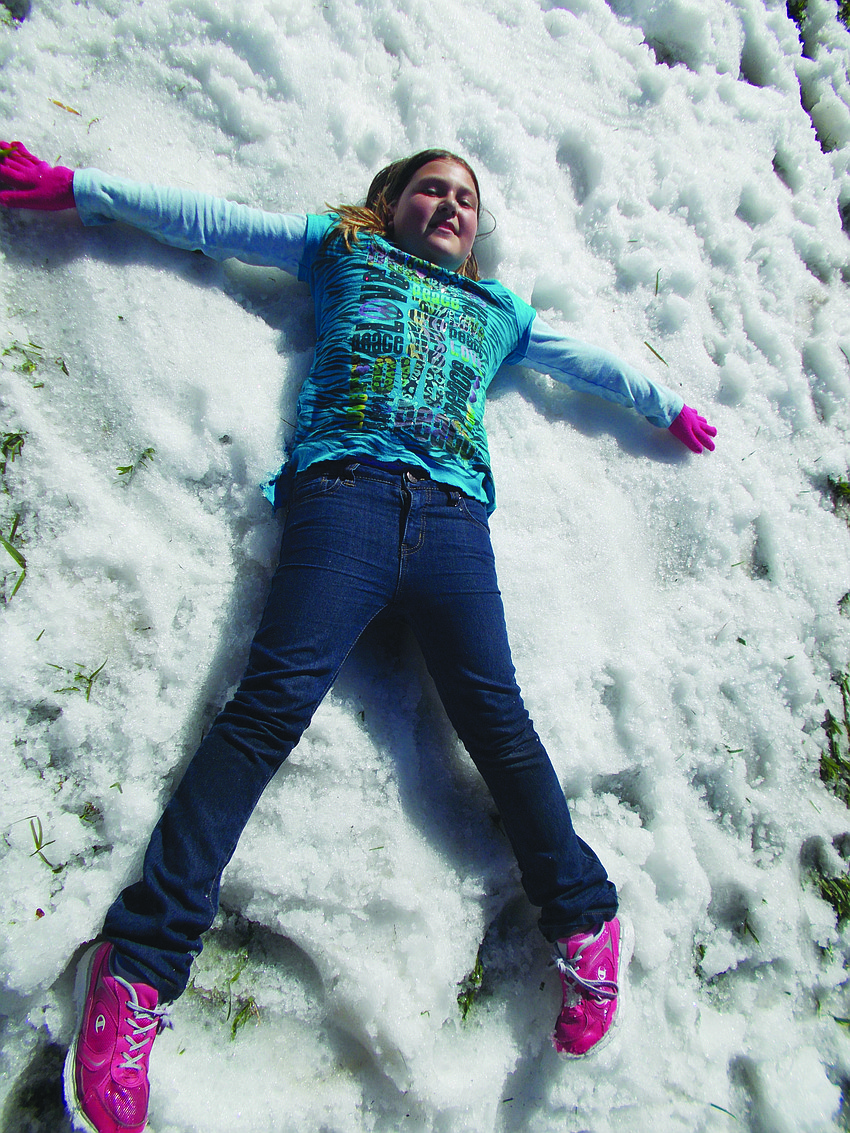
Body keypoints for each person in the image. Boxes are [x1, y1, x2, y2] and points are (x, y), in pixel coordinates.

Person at [0, 141, 716, 1133]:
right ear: (390, 201)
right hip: (345, 495)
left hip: (455, 521)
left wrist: (662, 402)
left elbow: (580, 362)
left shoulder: (497, 312)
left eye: (466, 196)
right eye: (431, 186)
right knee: (266, 710)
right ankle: (140, 965)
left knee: (498, 721)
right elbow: (209, 217)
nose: (450, 203)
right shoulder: (340, 245)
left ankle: (586, 915)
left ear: (477, 229)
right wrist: (80, 189)